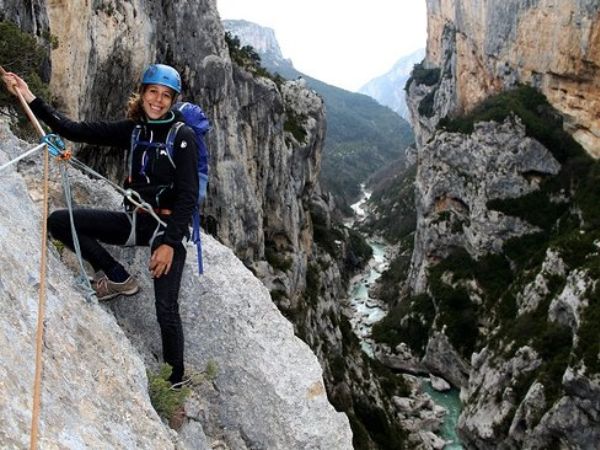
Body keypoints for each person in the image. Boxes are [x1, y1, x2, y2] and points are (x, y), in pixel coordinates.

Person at [2, 64, 198, 386]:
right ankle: (117, 275)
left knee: (165, 308)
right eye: (153, 93)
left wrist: (169, 244)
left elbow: (189, 196)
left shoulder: (183, 137)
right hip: (137, 219)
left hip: (165, 227)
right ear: (144, 93)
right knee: (59, 222)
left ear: (172, 101)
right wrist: (27, 95)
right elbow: (75, 129)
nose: (158, 101)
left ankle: (174, 381)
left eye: (166, 96)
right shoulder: (134, 131)